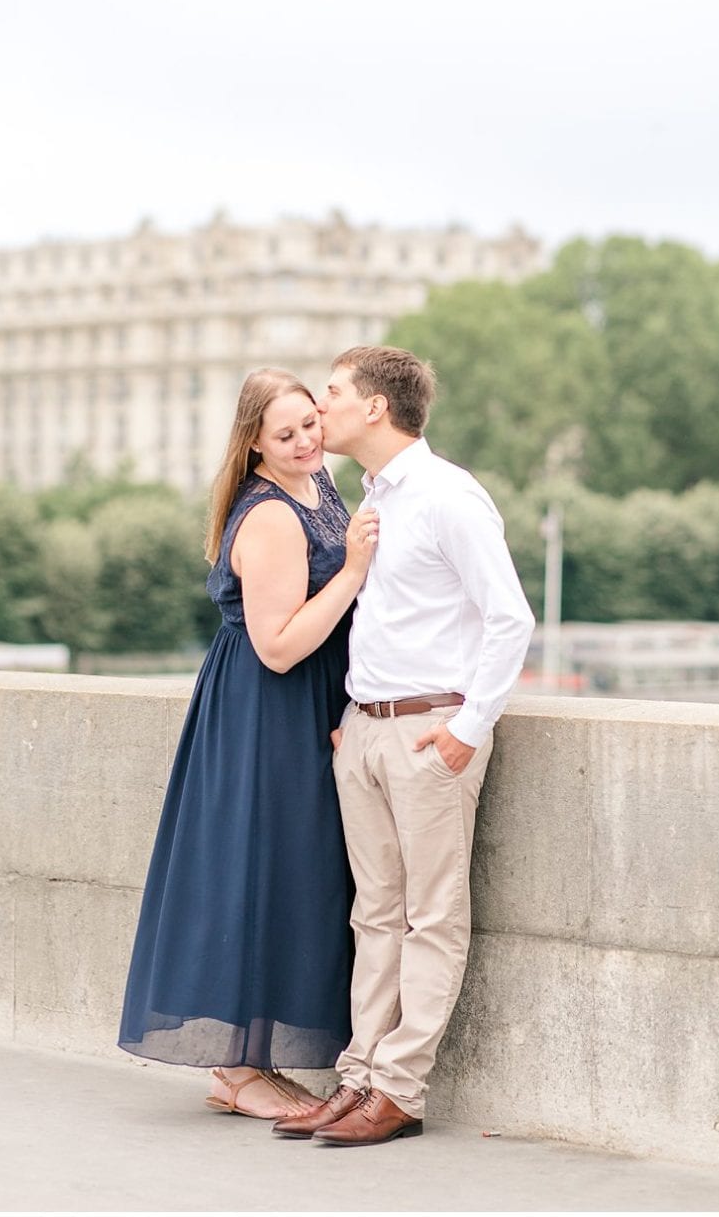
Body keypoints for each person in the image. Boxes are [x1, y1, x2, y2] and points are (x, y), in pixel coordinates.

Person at [272, 345, 535, 1146]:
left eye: (335, 393)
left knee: (430, 917)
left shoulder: (449, 496)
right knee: (375, 914)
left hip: (430, 731)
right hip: (366, 730)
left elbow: (510, 617)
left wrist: (466, 728)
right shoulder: (369, 495)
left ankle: (400, 1090)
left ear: (377, 408)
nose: (322, 407)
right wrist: (356, 719)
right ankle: (358, 1081)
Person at [118, 368, 379, 1120]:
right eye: (285, 434)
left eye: (310, 425)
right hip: (268, 710)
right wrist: (356, 569)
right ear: (255, 446)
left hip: (307, 706)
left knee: (293, 873)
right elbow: (279, 646)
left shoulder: (320, 487)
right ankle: (236, 1070)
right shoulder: (269, 514)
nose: (304, 442)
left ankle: (252, 1062)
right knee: (258, 872)